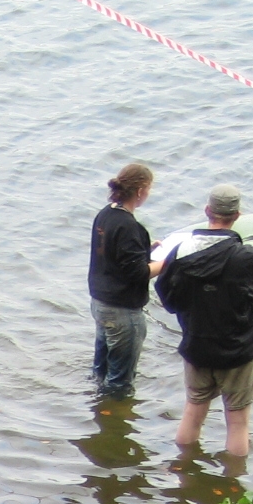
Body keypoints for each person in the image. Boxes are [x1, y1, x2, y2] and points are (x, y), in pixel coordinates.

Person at [155, 184, 253, 458]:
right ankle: (233, 479)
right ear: (237, 215)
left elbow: (167, 297)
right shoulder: (246, 256)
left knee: (193, 412)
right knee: (237, 422)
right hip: (237, 350)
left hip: (196, 346)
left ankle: (183, 470)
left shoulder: (179, 253)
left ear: (207, 211)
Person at [88, 162, 161, 399]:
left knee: (101, 369)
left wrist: (145, 249)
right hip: (122, 310)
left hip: (100, 302)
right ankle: (114, 413)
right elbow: (138, 273)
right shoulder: (129, 226)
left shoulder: (105, 214)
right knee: (121, 380)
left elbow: (113, 253)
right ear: (140, 191)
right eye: (148, 189)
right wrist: (169, 262)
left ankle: (97, 405)